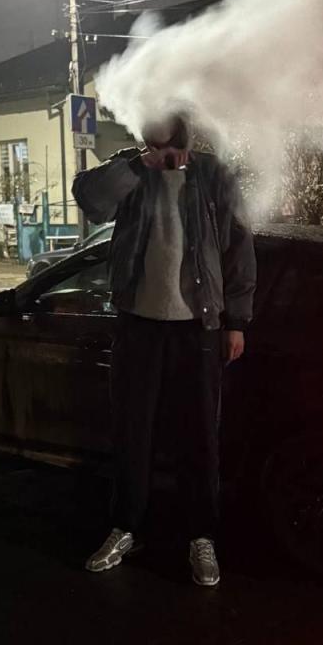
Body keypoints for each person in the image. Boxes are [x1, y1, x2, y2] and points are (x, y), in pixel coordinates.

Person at [71, 114, 256, 586]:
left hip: (198, 328)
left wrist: (236, 322)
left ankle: (201, 537)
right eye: (156, 149)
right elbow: (90, 200)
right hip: (139, 324)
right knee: (132, 431)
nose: (167, 159)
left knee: (200, 436)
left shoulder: (213, 174)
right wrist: (138, 166)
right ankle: (126, 527)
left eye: (172, 150)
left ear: (184, 137)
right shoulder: (132, 169)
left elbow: (239, 247)